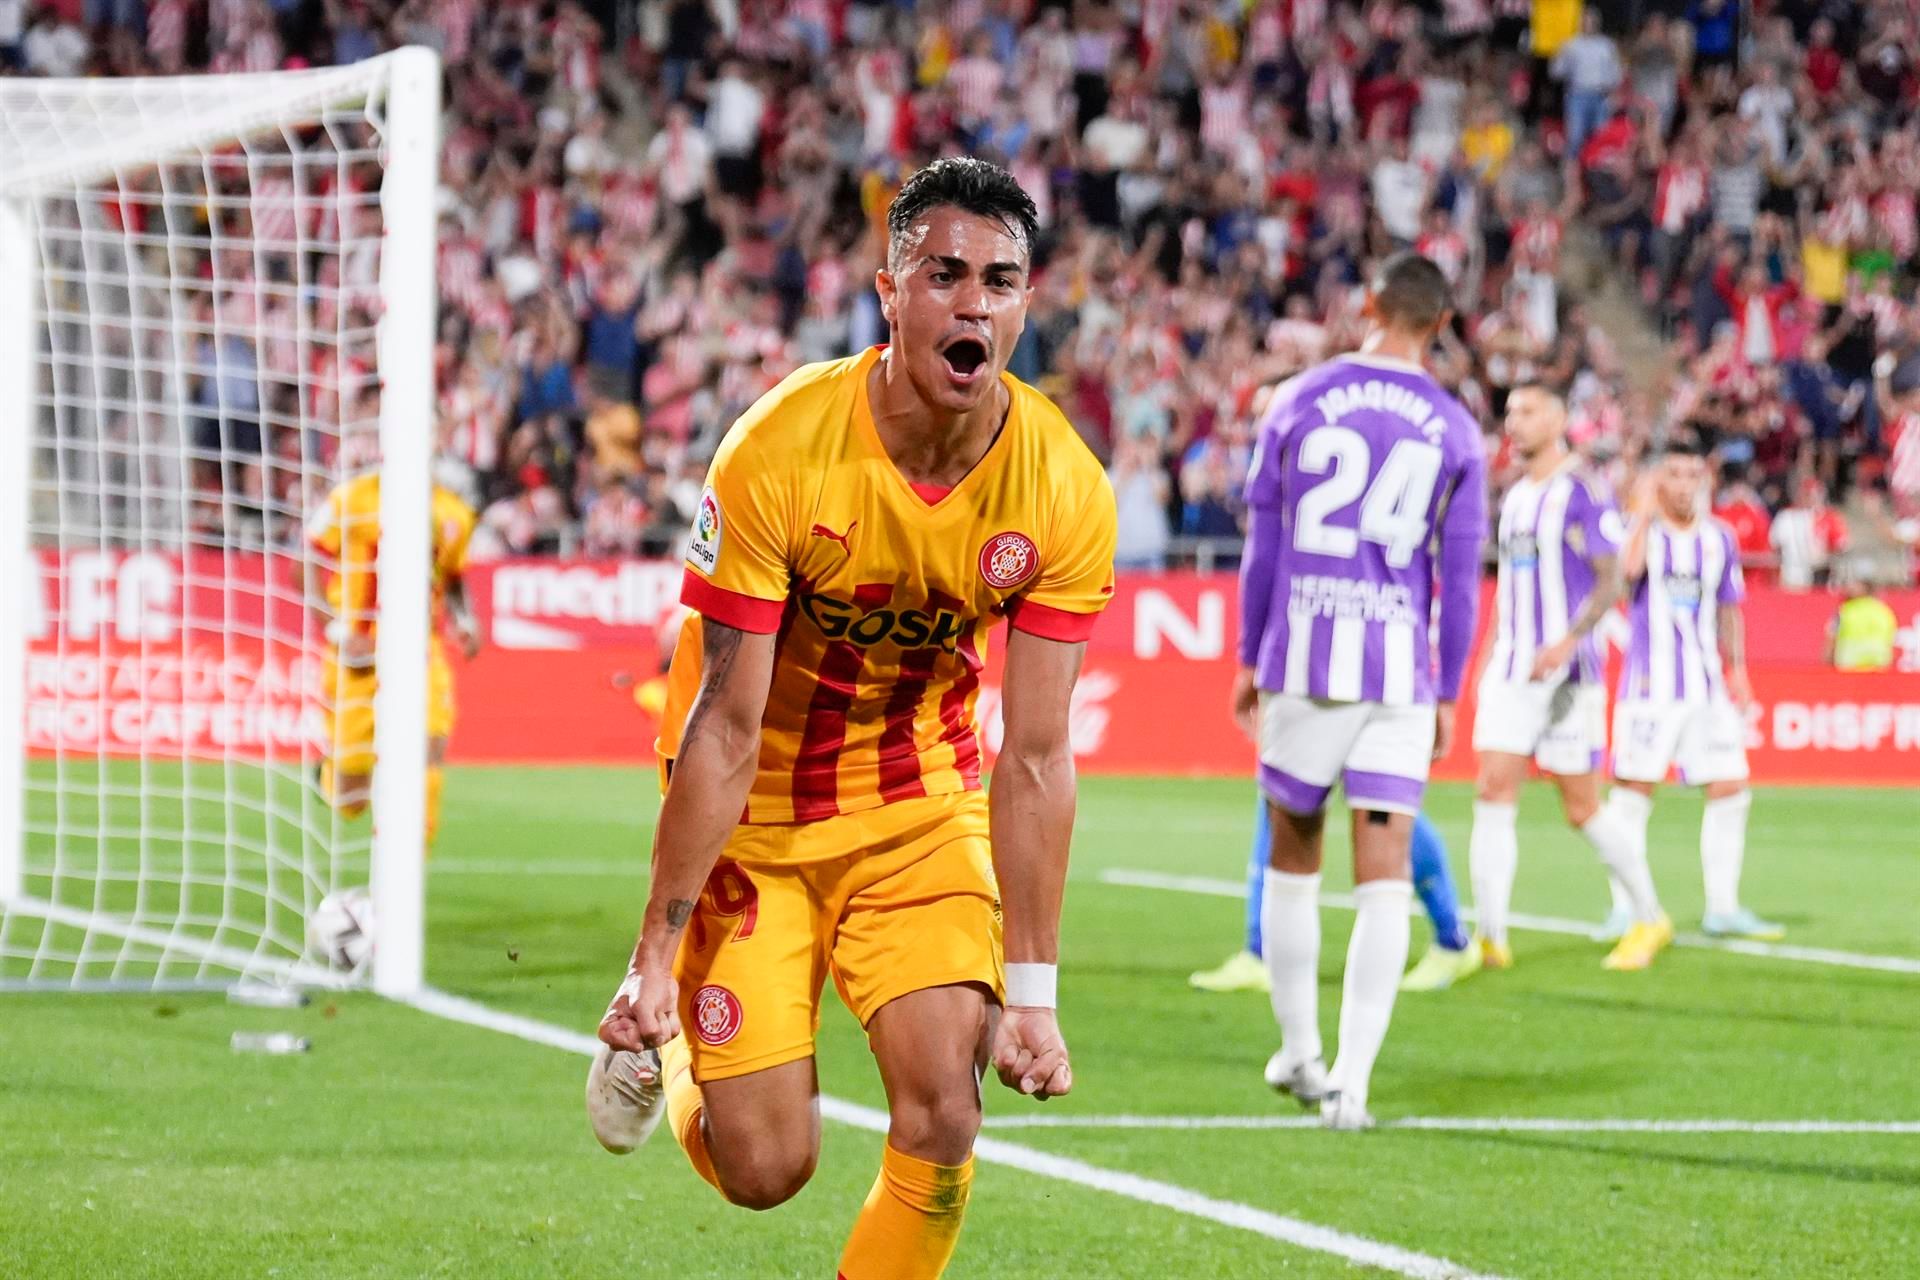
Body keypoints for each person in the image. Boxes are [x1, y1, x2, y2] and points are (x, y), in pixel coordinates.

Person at [586, 158, 1118, 1280]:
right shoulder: (778, 448)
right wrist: (654, 951)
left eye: (1002, 279)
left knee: (945, 1109)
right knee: (766, 1167)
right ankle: (669, 1058)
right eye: (945, 273)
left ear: (1028, 302)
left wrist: (1033, 995)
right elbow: (721, 731)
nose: (974, 300)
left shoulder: (1064, 487)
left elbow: (1032, 757)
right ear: (890, 290)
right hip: (759, 822)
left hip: (915, 808)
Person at [1231, 253, 1487, 1129]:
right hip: (1399, 674)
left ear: (1367, 303)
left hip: (1305, 659)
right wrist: (1448, 690)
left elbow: (1263, 546)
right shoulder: (1455, 427)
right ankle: (1354, 1083)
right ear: (1444, 324)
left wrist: (1247, 658)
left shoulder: (1298, 399)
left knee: (1293, 859)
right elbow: (1460, 577)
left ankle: (1301, 1052)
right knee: (1384, 880)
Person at [1423, 383, 1665, 991]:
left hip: (1567, 674)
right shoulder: (1516, 496)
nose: (1515, 421)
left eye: (1528, 411)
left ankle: (1650, 916)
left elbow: (1610, 579)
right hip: (1511, 667)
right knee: (1492, 789)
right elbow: (1511, 584)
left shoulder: (1581, 488)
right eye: (1510, 412)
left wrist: (1567, 642)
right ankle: (1493, 936)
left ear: (1559, 419)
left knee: (1580, 806)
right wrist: (1488, 653)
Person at [1607, 438, 1782, 963]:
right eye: (1673, 474)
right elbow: (1625, 577)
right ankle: (1626, 909)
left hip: (1706, 686)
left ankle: (1723, 907)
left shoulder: (1719, 538)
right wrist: (1641, 512)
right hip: (1649, 689)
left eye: (1691, 474)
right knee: (1633, 796)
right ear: (1658, 480)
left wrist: (1741, 673)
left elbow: (1730, 609)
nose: (1683, 484)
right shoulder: (1641, 532)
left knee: (1730, 789)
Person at [303, 419, 483, 848]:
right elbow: (304, 563)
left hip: (423, 651)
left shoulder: (452, 513)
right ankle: (330, 773)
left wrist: (466, 620)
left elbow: (454, 578)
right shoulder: (351, 498)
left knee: (431, 744)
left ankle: (409, 853)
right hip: (358, 655)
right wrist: (334, 628)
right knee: (349, 800)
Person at [1189, 806, 1471, 995]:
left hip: (1367, 720)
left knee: (1386, 808)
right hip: (1315, 718)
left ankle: (1452, 941)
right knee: (1278, 801)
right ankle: (1262, 952)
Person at [1827, 573, 1898, 672]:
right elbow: (1891, 638)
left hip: (1849, 666)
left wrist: (1828, 663)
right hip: (1878, 666)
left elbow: (1832, 638)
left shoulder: (1845, 611)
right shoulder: (1885, 611)